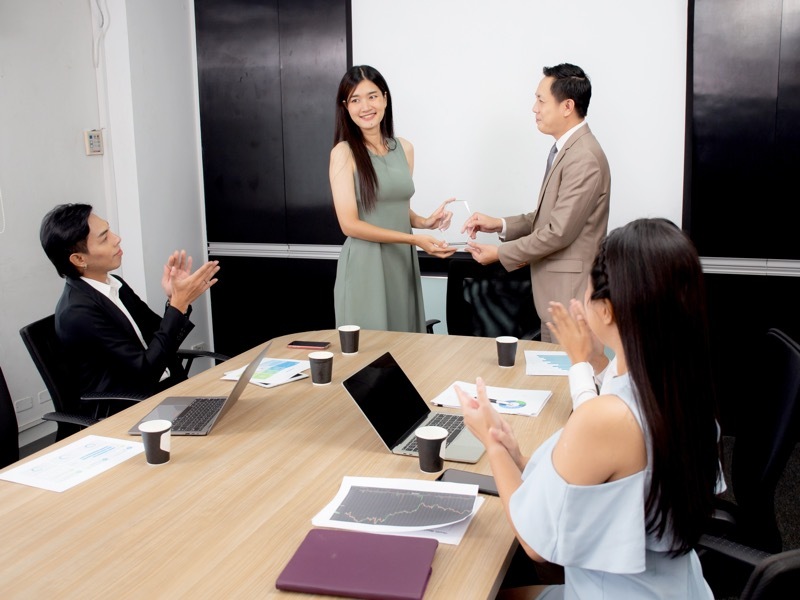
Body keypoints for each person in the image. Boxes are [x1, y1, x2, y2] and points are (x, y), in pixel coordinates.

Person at [456, 218, 722, 599]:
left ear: (608, 310)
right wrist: (517, 454)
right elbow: (606, 476)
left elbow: (535, 542)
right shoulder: (681, 391)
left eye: (588, 284)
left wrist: (493, 444)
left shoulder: (608, 418)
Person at [461, 63, 610, 342]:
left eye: (541, 100)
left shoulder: (583, 157)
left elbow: (558, 231)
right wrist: (500, 225)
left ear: (567, 106)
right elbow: (546, 218)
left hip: (572, 297)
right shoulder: (565, 149)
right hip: (557, 296)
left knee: (572, 382)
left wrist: (499, 254)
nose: (534, 108)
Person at [39, 203, 220, 401]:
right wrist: (178, 304)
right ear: (79, 259)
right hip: (130, 406)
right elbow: (145, 372)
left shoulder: (114, 284)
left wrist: (174, 299)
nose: (117, 239)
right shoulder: (78, 311)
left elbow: (161, 339)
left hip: (167, 389)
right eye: (104, 237)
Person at [329, 65, 457, 333]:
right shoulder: (344, 153)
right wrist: (414, 239)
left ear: (385, 99)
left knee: (407, 350)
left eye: (372, 96)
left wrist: (425, 221)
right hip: (366, 264)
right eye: (355, 99)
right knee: (369, 355)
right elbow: (349, 225)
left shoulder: (404, 148)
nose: (365, 106)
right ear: (346, 107)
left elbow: (396, 206)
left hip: (401, 261)